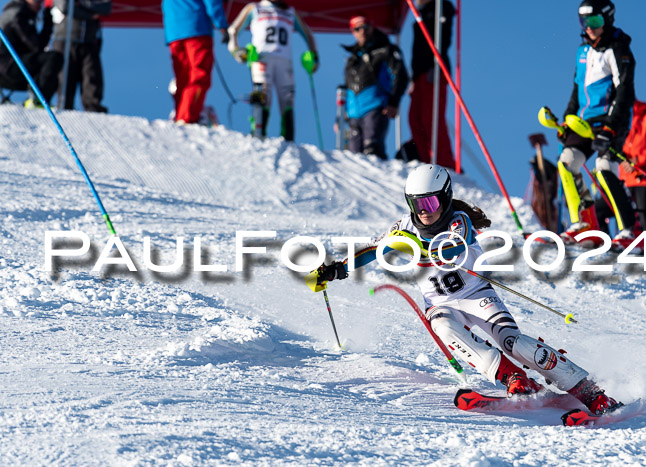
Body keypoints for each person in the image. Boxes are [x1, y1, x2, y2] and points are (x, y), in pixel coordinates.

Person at [312, 164, 622, 415]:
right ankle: (514, 379)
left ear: (445, 198)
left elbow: (449, 249)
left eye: (430, 202)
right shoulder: (404, 229)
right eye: (416, 204)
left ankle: (591, 393)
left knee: (514, 342)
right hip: (440, 304)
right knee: (444, 327)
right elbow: (373, 249)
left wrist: (419, 247)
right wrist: (337, 269)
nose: (424, 211)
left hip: (477, 296)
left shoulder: (458, 220)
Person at [557, 0, 636, 250]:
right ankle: (584, 225)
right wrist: (568, 119)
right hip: (584, 121)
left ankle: (628, 232)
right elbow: (576, 89)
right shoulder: (583, 51)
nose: (589, 27)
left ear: (608, 20)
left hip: (611, 119)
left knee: (604, 168)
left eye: (595, 22)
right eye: (584, 22)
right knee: (568, 162)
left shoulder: (618, 48)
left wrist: (611, 128)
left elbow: (624, 91)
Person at [227, 0, 318, 141]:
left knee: (288, 102)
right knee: (263, 96)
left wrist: (314, 56)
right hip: (262, 59)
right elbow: (233, 30)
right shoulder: (254, 8)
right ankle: (258, 137)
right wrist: (237, 51)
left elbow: (308, 35)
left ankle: (288, 143)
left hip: (284, 62)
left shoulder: (290, 12)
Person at [595, 101, 646, 255]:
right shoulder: (621, 124)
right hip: (625, 182)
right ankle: (606, 247)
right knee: (600, 210)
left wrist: (638, 160)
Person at [342, 15, 408, 160]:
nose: (362, 31)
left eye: (365, 27)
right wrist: (340, 117)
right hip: (353, 114)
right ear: (352, 31)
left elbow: (401, 76)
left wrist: (393, 102)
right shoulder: (352, 58)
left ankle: (379, 180)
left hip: (375, 107)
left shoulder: (385, 49)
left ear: (371, 27)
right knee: (353, 159)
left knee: (372, 153)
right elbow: (346, 86)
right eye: (357, 29)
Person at [162, 0, 228, 125]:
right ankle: (187, 118)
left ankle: (181, 115)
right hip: (196, 27)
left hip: (174, 30)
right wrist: (222, 26)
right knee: (199, 75)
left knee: (183, 78)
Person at [408, 0, 455, 169]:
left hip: (434, 68)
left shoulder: (441, 7)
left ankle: (445, 163)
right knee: (415, 119)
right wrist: (413, 78)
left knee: (432, 119)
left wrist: (437, 64)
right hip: (419, 73)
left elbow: (444, 38)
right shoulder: (422, 12)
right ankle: (425, 162)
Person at [51, 0, 111, 113]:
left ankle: (94, 109)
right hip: (65, 38)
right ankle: (64, 107)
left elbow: (106, 7)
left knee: (92, 75)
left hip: (89, 40)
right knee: (65, 77)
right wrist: (89, 14)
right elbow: (65, 6)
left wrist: (81, 3)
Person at [0, 0, 63, 107]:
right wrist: (48, 21)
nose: (40, 4)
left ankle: (38, 100)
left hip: (14, 68)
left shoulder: (26, 15)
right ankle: (38, 100)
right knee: (54, 58)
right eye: (37, 1)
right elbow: (36, 46)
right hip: (8, 68)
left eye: (41, 1)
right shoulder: (18, 13)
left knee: (52, 77)